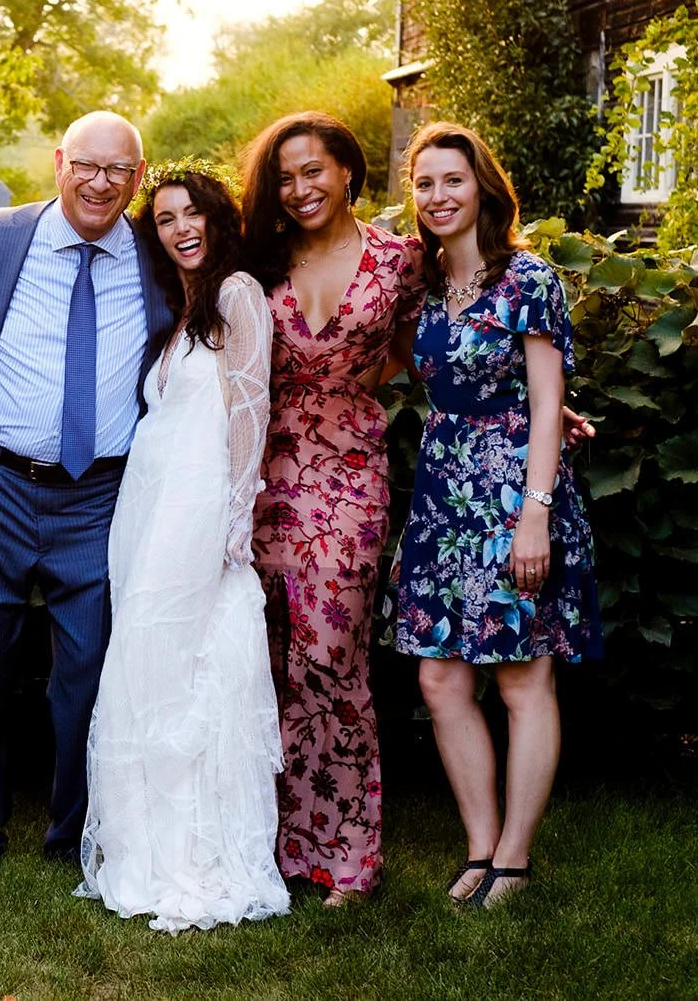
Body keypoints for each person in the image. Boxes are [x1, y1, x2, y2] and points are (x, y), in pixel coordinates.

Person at [0, 110, 173, 897]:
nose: (101, 182)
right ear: (58, 163)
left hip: (102, 491)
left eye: (119, 171)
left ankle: (76, 829)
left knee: (90, 666)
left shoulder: (160, 256)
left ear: (137, 179)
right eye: (87, 165)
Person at [389, 121, 602, 907]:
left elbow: (546, 406)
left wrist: (535, 516)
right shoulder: (420, 283)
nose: (438, 196)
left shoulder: (530, 280)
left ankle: (514, 856)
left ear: (482, 186)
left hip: (518, 491)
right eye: (424, 183)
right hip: (445, 494)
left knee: (521, 676)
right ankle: (479, 846)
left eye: (452, 180)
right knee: (442, 677)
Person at [76, 159, 289, 932]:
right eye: (164, 219)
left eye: (191, 213)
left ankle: (196, 852)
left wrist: (237, 514)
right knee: (143, 660)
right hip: (149, 501)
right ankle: (144, 843)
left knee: (179, 661)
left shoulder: (237, 292)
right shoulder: (183, 307)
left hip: (200, 504)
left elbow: (249, 408)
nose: (180, 229)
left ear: (217, 217)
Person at [240, 111, 426, 907]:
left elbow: (428, 350)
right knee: (265, 655)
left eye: (313, 170)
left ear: (349, 170)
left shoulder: (399, 259)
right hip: (259, 475)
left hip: (349, 475)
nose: (300, 187)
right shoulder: (260, 258)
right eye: (285, 176)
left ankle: (348, 851)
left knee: (330, 652)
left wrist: (538, 410)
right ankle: (272, 844)